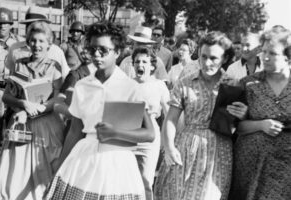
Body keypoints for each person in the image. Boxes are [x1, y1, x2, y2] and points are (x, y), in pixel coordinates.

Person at [45, 21, 154, 200]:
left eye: (103, 50)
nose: (97, 55)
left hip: (117, 162)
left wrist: (115, 132)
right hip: (84, 160)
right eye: (93, 49)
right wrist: (60, 165)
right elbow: (74, 130)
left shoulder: (130, 87)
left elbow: (149, 133)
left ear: (117, 52)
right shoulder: (82, 85)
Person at [154, 31, 248, 200]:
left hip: (218, 152)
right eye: (203, 57)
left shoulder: (233, 86)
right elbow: (171, 119)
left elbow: (238, 127)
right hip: (186, 147)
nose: (206, 62)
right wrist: (169, 147)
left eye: (213, 58)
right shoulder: (185, 82)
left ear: (225, 59)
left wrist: (242, 115)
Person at [0, 21, 64, 200]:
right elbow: (6, 96)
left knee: (43, 171)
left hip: (47, 125)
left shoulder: (55, 67)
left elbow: (57, 98)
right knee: (17, 172)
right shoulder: (19, 65)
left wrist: (36, 109)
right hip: (21, 124)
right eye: (32, 40)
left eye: (41, 41)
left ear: (49, 43)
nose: (36, 45)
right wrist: (23, 104)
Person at [229, 27, 291, 200]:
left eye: (272, 53)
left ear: (287, 55)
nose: (265, 57)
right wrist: (261, 125)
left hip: (286, 166)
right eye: (263, 51)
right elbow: (236, 127)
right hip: (251, 165)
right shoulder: (248, 83)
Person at [132, 47, 170, 200]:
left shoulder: (159, 85)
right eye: (137, 61)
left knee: (146, 180)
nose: (140, 64)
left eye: (144, 62)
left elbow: (169, 114)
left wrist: (167, 141)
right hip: (129, 135)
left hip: (150, 137)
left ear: (152, 66)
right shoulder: (127, 84)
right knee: (126, 180)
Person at [5, 6, 70, 80]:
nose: (32, 28)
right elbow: (11, 77)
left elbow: (65, 76)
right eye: (28, 25)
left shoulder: (56, 51)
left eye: (36, 24)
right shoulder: (15, 48)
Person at [0, 7, 24, 138]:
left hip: (15, 91)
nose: (1, 26)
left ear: (11, 25)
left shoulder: (20, 42)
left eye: (5, 23)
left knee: (15, 131)